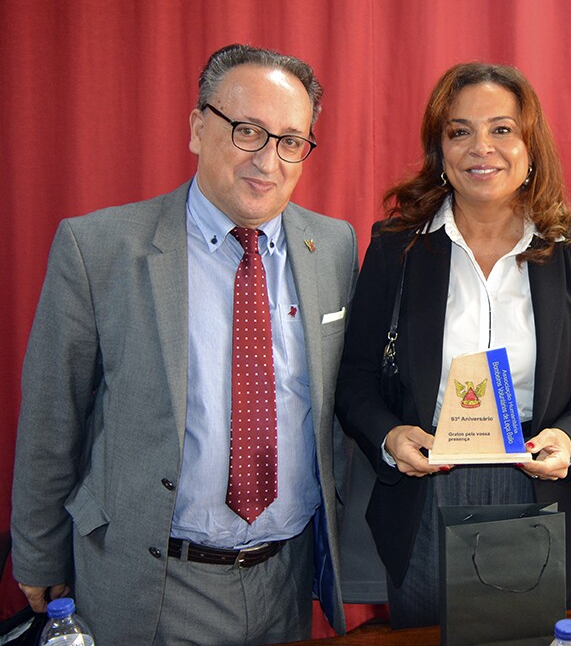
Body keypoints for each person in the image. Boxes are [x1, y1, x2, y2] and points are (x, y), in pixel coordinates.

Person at [12, 44, 358, 644]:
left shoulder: (332, 246)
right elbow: (52, 416)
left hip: (288, 575)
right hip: (154, 581)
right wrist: (39, 553)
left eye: (290, 140)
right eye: (247, 131)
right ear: (198, 128)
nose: (268, 160)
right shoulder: (99, 249)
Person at [335, 62, 571, 628]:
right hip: (426, 492)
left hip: (534, 486)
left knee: (526, 640)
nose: (480, 148)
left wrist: (569, 439)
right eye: (460, 131)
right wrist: (389, 436)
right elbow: (355, 378)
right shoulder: (397, 248)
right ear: (439, 151)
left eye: (502, 129)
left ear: (530, 146)